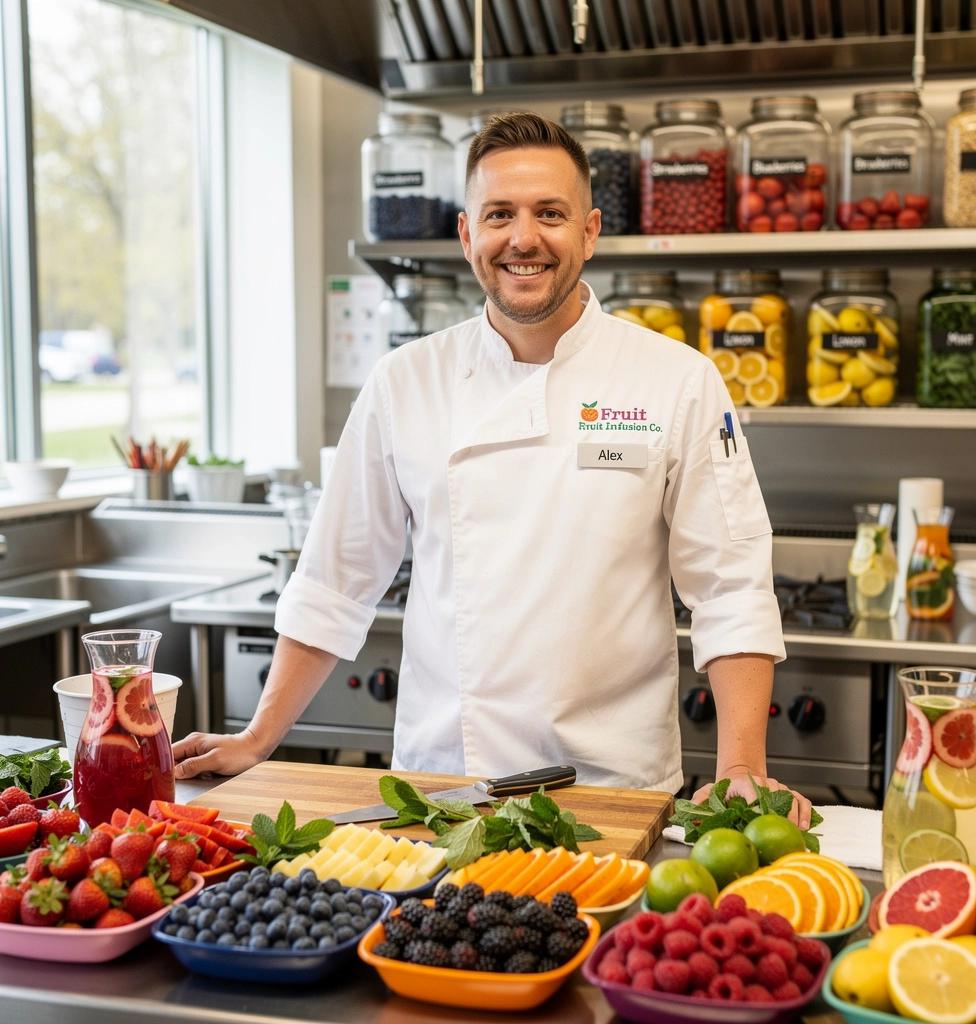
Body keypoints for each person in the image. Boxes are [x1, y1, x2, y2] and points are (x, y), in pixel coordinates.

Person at [173, 112, 810, 828]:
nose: (524, 238)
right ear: (467, 234)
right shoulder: (403, 382)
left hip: (614, 789)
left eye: (551, 214)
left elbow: (730, 587)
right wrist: (258, 738)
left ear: (591, 232)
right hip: (443, 785)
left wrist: (742, 770)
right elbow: (335, 578)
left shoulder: (677, 380)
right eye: (499, 214)